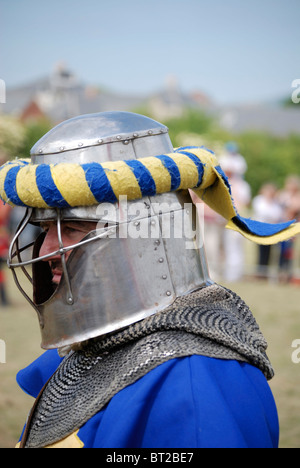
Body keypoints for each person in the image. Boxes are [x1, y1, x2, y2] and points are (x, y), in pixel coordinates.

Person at [2, 111, 299, 449]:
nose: (47, 248)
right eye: (45, 230)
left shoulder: (192, 382)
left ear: (141, 234)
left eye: (69, 229)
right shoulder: (100, 344)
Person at [252, 183, 283, 278]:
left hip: (271, 230)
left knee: (270, 252)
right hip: (260, 229)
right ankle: (259, 272)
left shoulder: (275, 203)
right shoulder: (259, 200)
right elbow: (263, 213)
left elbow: (277, 215)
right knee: (261, 251)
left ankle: (265, 273)